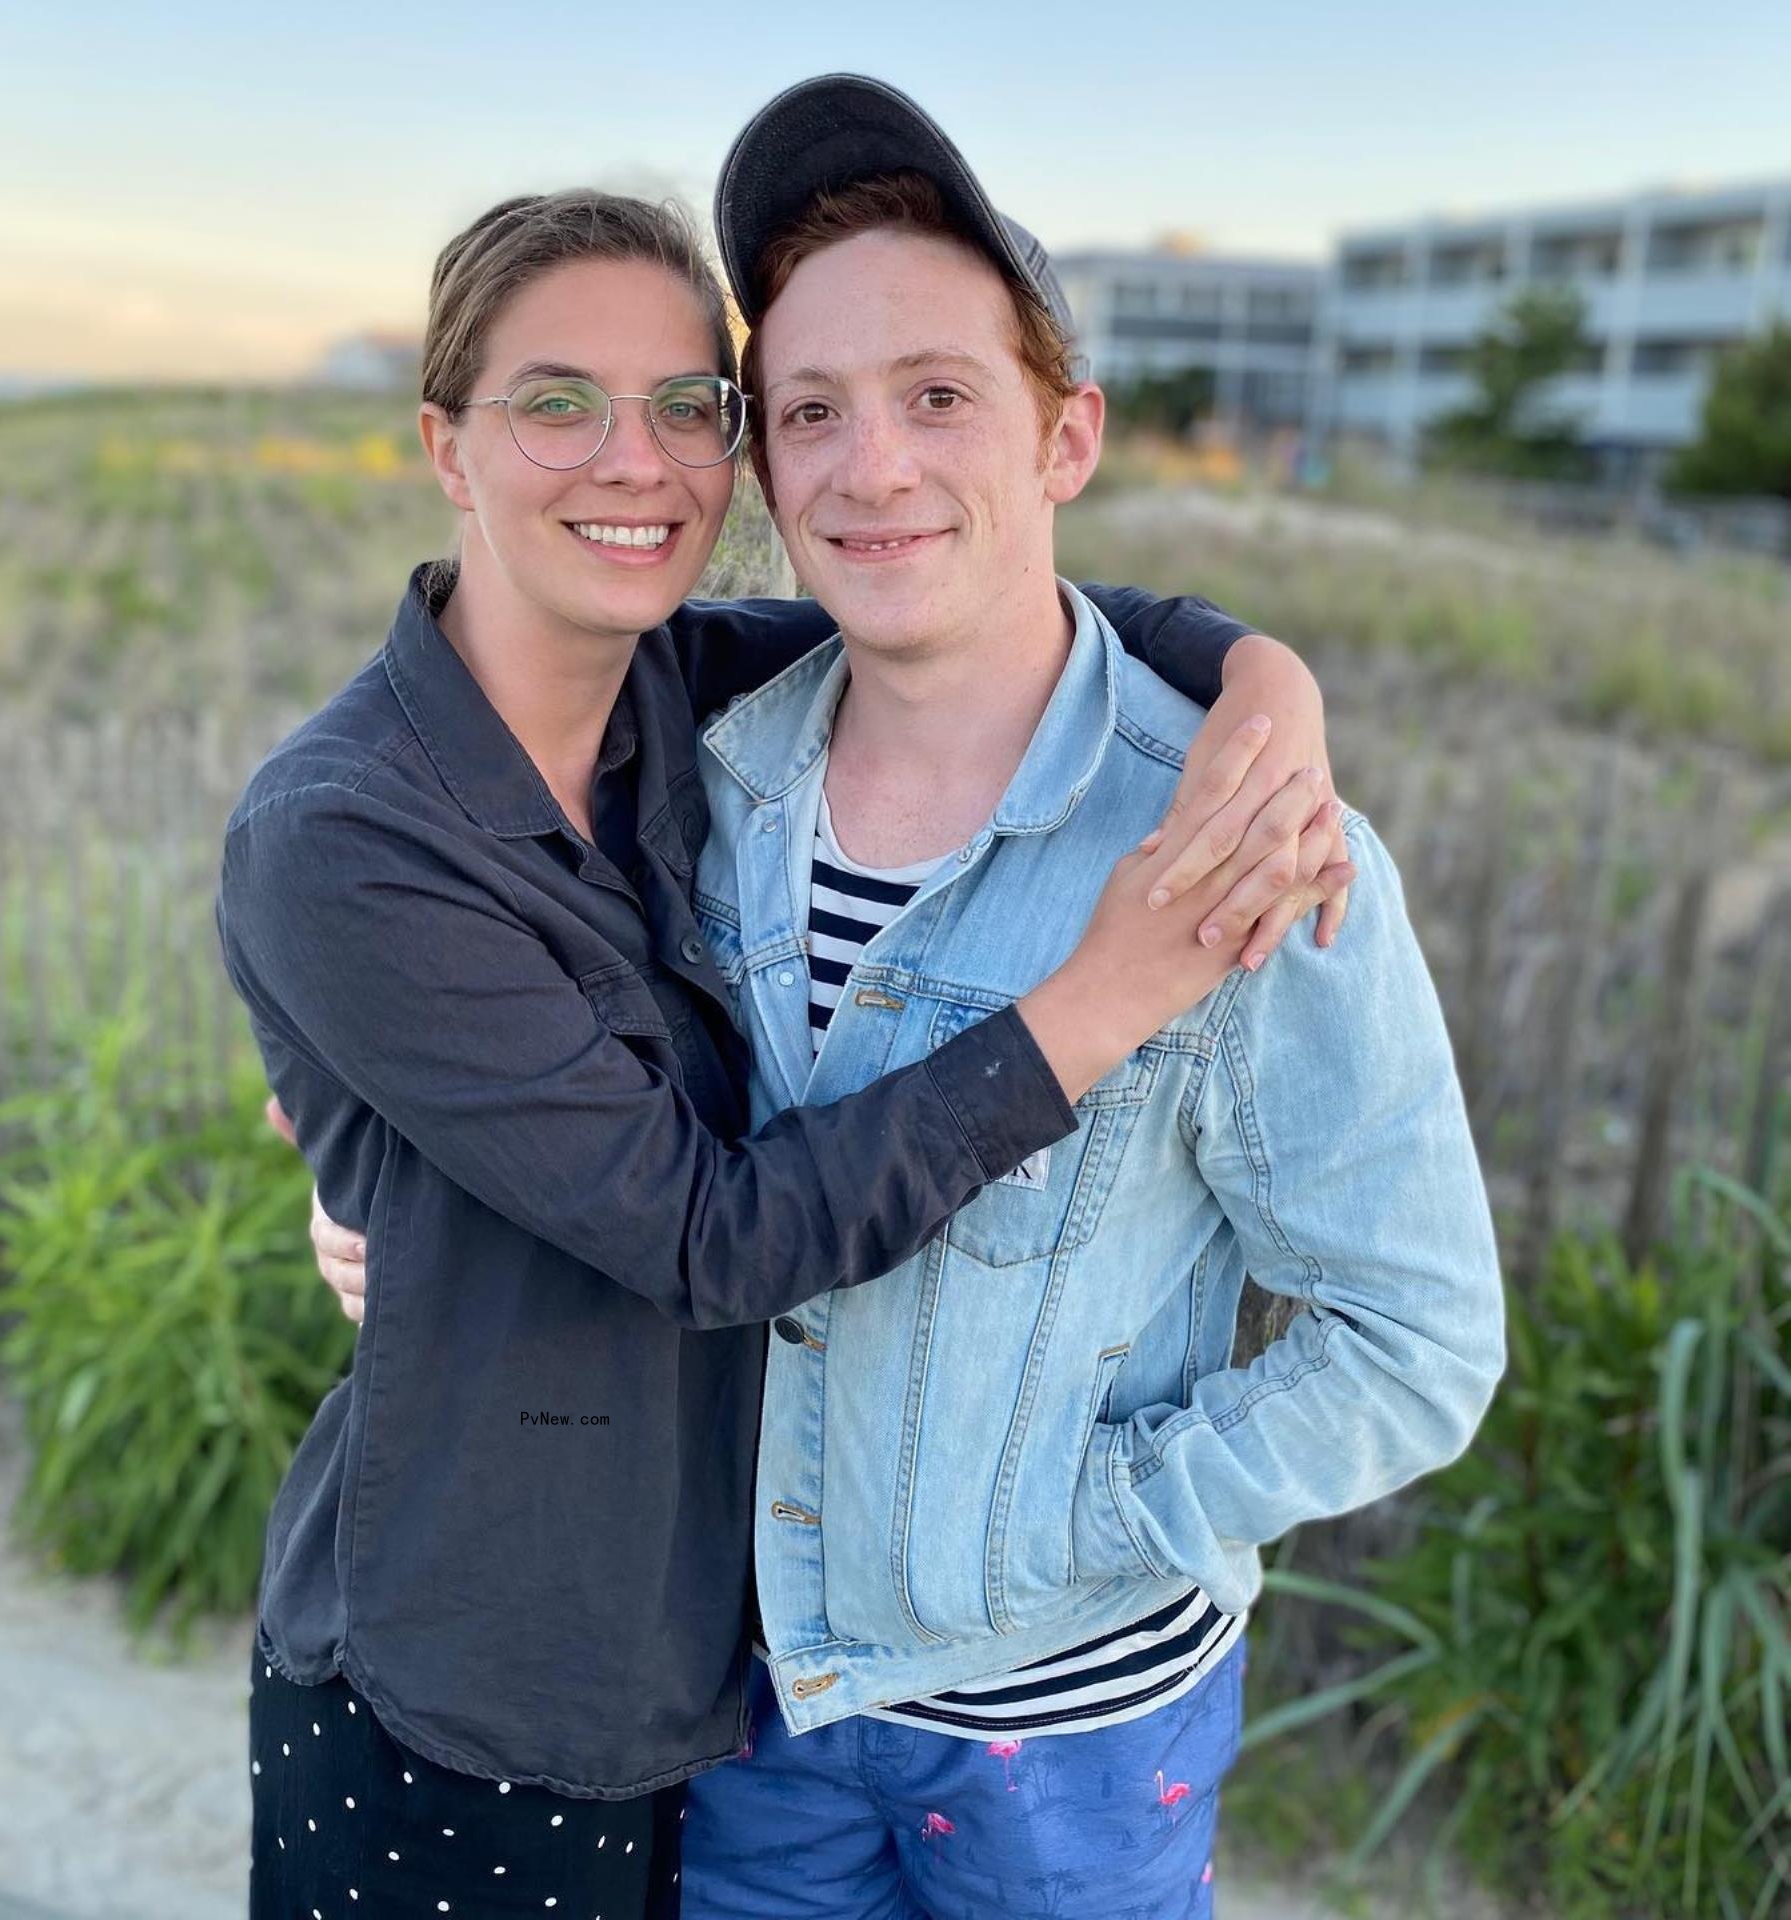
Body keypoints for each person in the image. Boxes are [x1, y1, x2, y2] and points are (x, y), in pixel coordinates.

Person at [221, 182, 1349, 1919]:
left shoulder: (694, 693)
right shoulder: (347, 834)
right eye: (556, 403)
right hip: (468, 1678)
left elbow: (996, 590)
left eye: (689, 405)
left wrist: (1268, 683)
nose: (636, 460)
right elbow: (712, 1232)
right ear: (447, 445)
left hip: (724, 1674)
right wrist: (1103, 995)